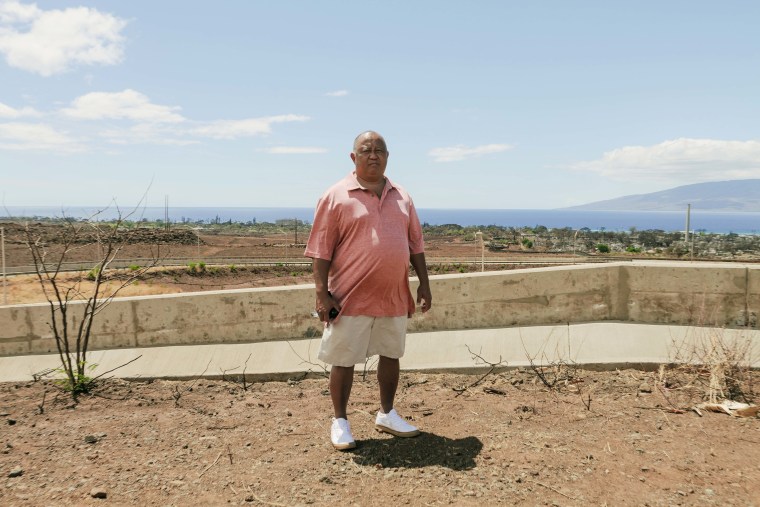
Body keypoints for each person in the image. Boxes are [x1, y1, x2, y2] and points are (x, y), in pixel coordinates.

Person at [304, 130, 432, 450]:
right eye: (366, 150)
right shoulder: (335, 196)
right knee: (343, 359)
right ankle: (340, 421)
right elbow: (320, 251)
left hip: (393, 295)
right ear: (353, 157)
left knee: (391, 355)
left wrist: (425, 285)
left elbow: (415, 245)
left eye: (379, 150)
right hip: (349, 296)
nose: (373, 155)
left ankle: (387, 414)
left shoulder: (402, 196)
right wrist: (322, 293)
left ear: (388, 157)